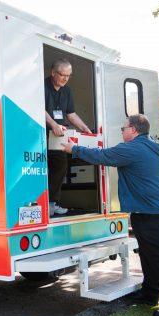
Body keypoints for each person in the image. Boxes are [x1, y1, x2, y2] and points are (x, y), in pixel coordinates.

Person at [61, 114, 159, 316]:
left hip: (151, 212)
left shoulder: (132, 149)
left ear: (134, 130)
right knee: (148, 255)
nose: (121, 131)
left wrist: (73, 149)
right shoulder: (149, 146)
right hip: (156, 210)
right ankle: (150, 293)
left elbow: (102, 156)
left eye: (123, 128)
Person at [45, 58, 91, 216]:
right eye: (62, 74)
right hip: (42, 133)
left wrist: (85, 129)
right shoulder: (42, 87)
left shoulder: (67, 91)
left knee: (61, 166)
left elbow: (71, 114)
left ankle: (53, 203)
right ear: (53, 73)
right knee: (41, 169)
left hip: (59, 135)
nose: (65, 78)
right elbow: (39, 108)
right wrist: (52, 124)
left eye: (68, 75)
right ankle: (43, 204)